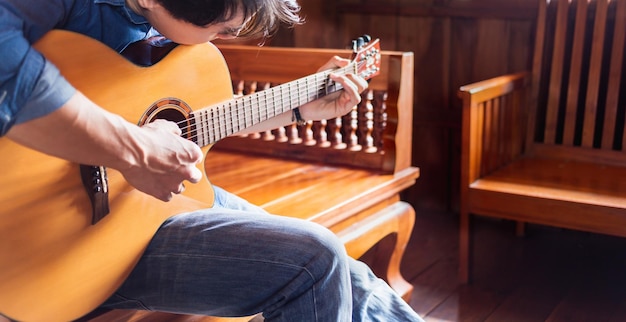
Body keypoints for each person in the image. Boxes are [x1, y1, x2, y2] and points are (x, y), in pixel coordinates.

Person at [0, 0, 424, 321]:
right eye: (221, 29)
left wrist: (301, 109)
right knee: (317, 258)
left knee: (357, 280)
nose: (229, 35)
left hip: (147, 209)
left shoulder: (155, 29)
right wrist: (132, 148)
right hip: (53, 244)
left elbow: (191, 119)